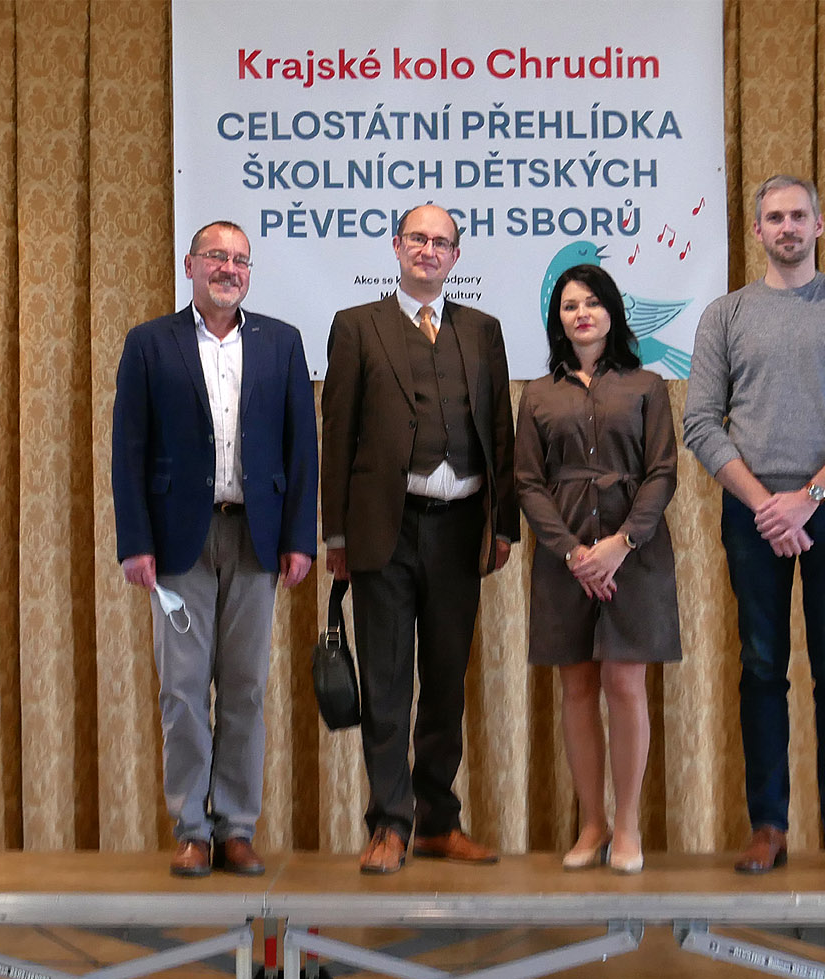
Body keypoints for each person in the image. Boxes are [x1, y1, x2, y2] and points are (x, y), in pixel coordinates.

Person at [681, 174, 825, 875]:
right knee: (760, 666)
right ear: (756, 231)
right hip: (753, 516)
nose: (787, 227)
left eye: (798, 216)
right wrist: (766, 505)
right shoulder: (725, 315)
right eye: (774, 217)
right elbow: (700, 423)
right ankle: (768, 827)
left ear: (819, 224)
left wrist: (807, 497)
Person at [112, 220, 317, 878]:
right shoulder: (150, 343)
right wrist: (135, 541)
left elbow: (301, 449)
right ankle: (191, 830)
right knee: (181, 691)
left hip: (257, 538)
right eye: (216, 257)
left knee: (246, 689)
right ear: (190, 265)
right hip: (179, 543)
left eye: (240, 260)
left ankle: (235, 827)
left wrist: (298, 538)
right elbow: (128, 449)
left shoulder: (281, 343)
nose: (229, 268)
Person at [320, 203, 519, 875]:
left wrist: (504, 525)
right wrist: (336, 533)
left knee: (445, 682)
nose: (428, 250)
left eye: (441, 242)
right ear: (396, 246)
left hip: (461, 529)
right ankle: (388, 823)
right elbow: (337, 432)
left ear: (456, 257)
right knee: (385, 682)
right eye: (418, 239)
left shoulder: (483, 330)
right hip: (385, 529)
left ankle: (438, 820)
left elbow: (500, 431)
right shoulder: (357, 326)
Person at [516, 264, 681, 876]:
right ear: (557, 319)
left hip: (634, 555)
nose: (581, 313)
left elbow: (662, 471)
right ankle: (592, 823)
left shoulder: (647, 386)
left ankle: (628, 824)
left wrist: (620, 544)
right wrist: (572, 553)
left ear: (612, 311)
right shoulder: (538, 393)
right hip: (564, 560)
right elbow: (528, 482)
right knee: (578, 689)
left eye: (591, 302)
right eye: (569, 305)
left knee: (626, 685)